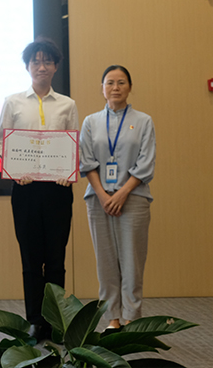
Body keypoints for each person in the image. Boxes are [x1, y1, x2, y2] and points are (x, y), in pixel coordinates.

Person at [0, 37, 79, 342]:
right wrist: (15, 170)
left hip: (57, 190)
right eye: (36, 61)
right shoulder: (13, 102)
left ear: (56, 66)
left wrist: (68, 172)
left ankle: (57, 321)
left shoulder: (68, 104)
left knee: (56, 259)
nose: (41, 67)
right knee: (31, 259)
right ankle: (34, 319)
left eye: (47, 61)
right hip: (26, 190)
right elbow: (2, 142)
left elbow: (74, 144)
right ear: (27, 66)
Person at [79, 65, 155, 330]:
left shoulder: (143, 121)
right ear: (102, 88)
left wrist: (122, 193)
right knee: (106, 261)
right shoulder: (90, 122)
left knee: (132, 261)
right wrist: (103, 195)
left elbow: (146, 163)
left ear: (130, 87)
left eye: (121, 82)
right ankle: (112, 318)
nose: (115, 87)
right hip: (98, 200)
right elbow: (87, 161)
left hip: (133, 198)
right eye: (110, 82)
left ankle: (132, 318)